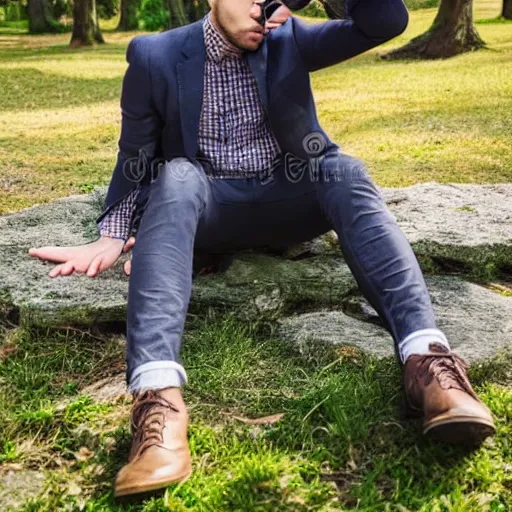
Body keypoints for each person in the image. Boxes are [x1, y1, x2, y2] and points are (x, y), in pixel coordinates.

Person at [29, 0, 496, 499]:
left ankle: (429, 365)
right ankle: (158, 402)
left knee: (343, 168)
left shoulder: (289, 38)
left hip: (289, 199)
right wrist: (112, 233)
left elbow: (386, 21)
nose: (261, 7)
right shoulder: (154, 54)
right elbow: (135, 154)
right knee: (177, 175)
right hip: (210, 206)